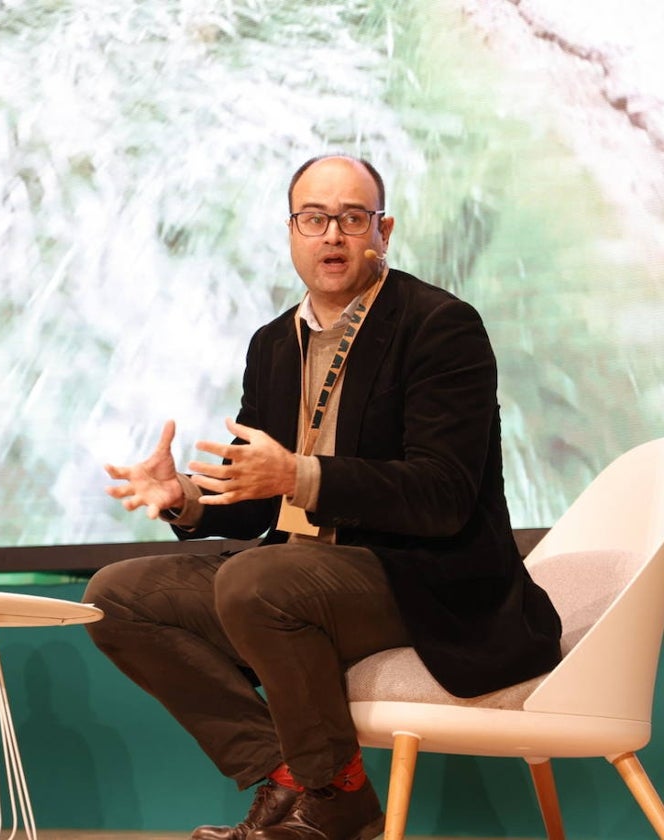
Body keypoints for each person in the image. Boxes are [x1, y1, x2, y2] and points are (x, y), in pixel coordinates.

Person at [84, 155, 562, 840]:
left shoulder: (440, 326)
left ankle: (334, 807)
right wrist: (185, 497)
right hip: (294, 575)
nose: (332, 235)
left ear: (383, 230)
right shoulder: (274, 343)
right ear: (291, 232)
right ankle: (292, 776)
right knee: (116, 595)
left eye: (352, 218)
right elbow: (255, 503)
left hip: (423, 578)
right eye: (315, 219)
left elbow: (443, 496)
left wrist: (299, 477)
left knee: (258, 579)